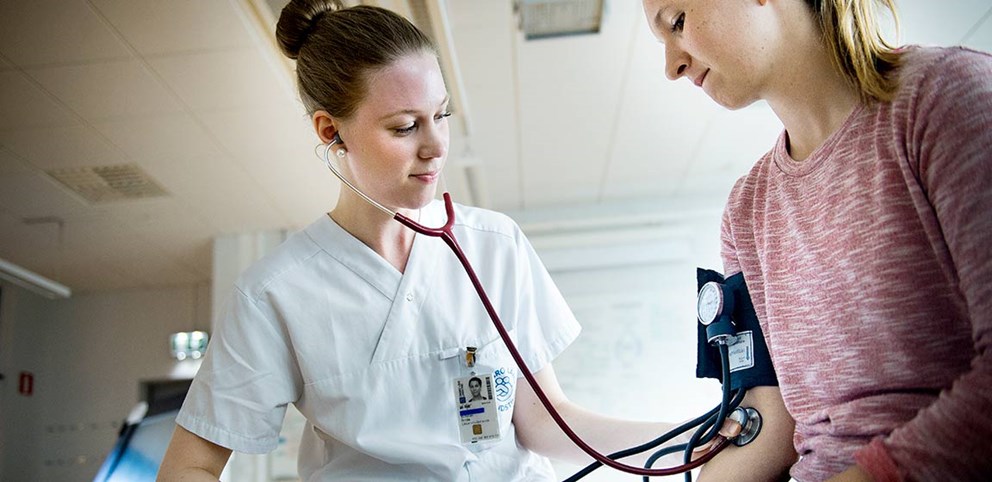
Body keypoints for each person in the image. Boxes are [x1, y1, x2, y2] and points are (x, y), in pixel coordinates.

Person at [157, 2, 734, 480]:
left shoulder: (494, 245)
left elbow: (546, 423)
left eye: (441, 115)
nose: (435, 146)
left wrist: (693, 437)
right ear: (331, 132)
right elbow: (193, 465)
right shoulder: (276, 292)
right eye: (405, 127)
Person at [640, 0, 992, 480]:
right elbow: (769, 422)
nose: (671, 66)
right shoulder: (747, 209)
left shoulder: (946, 98)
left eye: (678, 22)